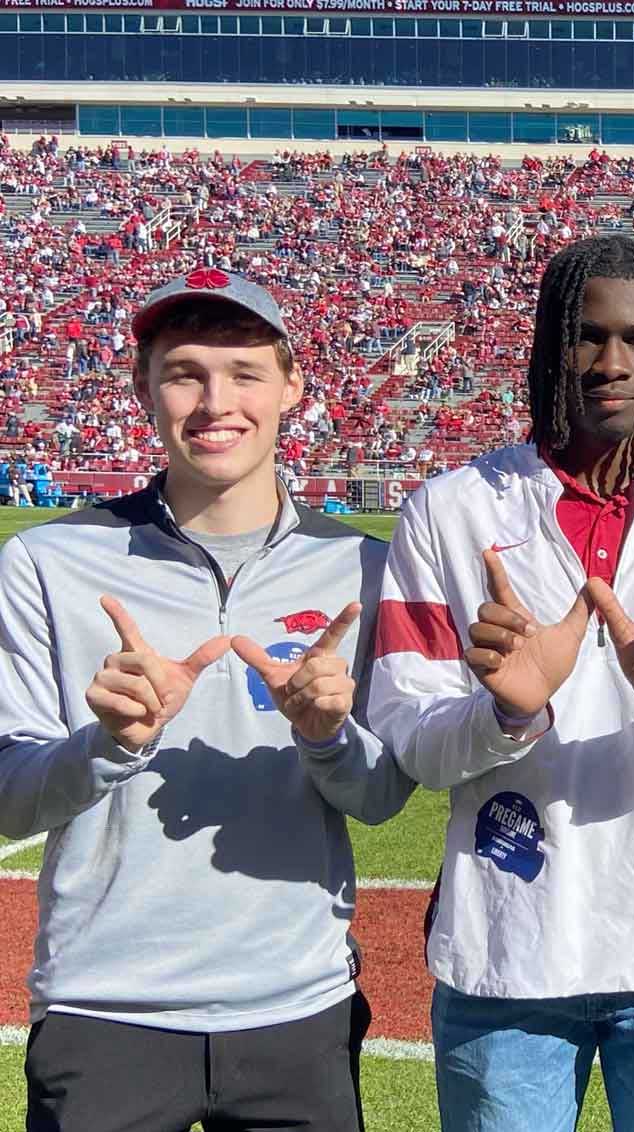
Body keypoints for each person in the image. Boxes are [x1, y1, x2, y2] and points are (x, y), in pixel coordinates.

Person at [367, 235, 634, 1132]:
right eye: (587, 336)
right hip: (508, 957)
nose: (612, 363)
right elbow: (413, 740)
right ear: (547, 346)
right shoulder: (448, 512)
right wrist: (506, 713)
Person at [0, 270, 413, 1131]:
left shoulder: (365, 570)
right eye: (184, 371)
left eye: (245, 371)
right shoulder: (46, 562)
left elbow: (380, 799)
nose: (214, 400)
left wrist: (327, 736)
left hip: (297, 1008)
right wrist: (108, 744)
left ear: (293, 386)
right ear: (142, 388)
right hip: (103, 1007)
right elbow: (9, 801)